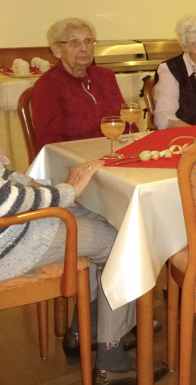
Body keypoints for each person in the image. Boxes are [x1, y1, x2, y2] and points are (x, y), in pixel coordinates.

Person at [0, 149, 168, 385]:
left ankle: (86, 330)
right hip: (10, 241)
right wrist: (65, 191)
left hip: (11, 229)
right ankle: (112, 362)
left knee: (104, 217)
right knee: (123, 241)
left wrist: (33, 184)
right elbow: (5, 201)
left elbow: (3, 179)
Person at [32, 18, 131, 151]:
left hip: (115, 154)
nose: (84, 48)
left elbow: (127, 123)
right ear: (57, 50)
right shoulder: (48, 85)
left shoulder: (106, 76)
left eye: (88, 41)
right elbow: (50, 144)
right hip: (75, 163)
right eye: (74, 42)